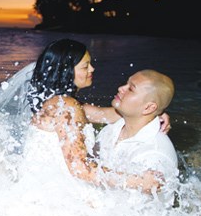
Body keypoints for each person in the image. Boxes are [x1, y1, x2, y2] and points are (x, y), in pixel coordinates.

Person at [24, 38, 164, 193]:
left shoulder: (60, 104)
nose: (92, 69)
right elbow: (80, 169)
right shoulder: (66, 107)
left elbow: (108, 114)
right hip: (51, 191)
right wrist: (138, 181)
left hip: (47, 184)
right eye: (85, 66)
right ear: (67, 71)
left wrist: (156, 112)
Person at [94, 69, 178, 184]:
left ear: (148, 108)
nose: (121, 88)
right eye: (126, 84)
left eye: (131, 89)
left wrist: (87, 172)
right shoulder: (114, 128)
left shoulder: (154, 153)